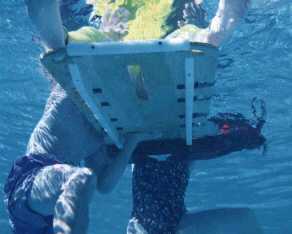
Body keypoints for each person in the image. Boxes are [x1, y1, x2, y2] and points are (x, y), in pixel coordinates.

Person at [4, 0, 250, 234]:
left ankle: (214, 32)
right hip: (96, 110)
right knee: (67, 49)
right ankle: (215, 31)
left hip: (41, 171)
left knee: (60, 51)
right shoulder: (98, 133)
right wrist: (135, 139)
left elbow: (98, 184)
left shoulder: (88, 111)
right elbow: (104, 184)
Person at [127, 111, 266, 234]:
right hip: (173, 218)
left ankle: (237, 132)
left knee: (247, 217)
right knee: (247, 217)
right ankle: (239, 133)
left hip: (165, 215)